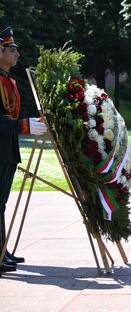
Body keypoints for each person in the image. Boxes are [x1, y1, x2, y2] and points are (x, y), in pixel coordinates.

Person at [0, 27, 47, 273]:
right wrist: (27, 125)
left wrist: (34, 121)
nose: (17, 54)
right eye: (11, 50)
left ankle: (2, 250)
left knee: (1, 204)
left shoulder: (9, 80)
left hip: (7, 151)